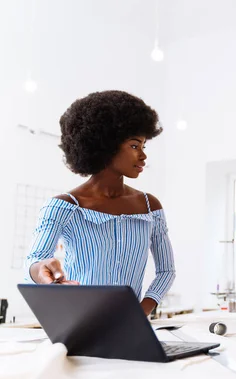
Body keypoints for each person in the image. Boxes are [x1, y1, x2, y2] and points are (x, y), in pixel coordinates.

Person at [24, 90, 175, 316]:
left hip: (129, 327)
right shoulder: (63, 207)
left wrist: (142, 310)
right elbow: (35, 261)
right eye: (135, 146)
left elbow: (167, 270)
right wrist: (42, 272)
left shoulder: (149, 206)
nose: (143, 156)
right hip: (78, 321)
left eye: (144, 146)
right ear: (106, 145)